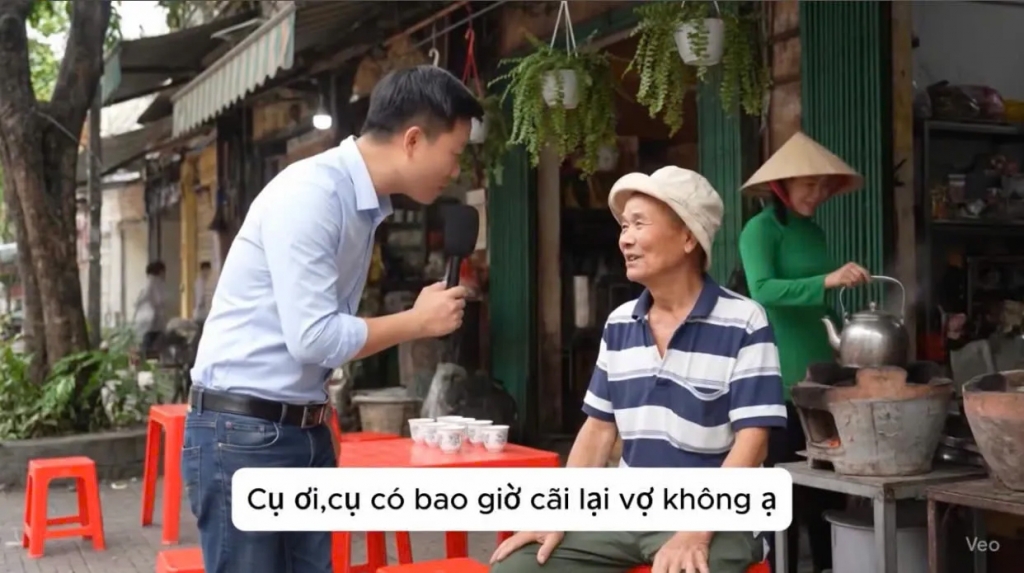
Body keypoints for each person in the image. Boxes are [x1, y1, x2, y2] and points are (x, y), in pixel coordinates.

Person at [183, 65, 483, 573]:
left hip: (296, 427)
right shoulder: (315, 194)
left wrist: (317, 412)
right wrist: (416, 322)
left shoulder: (362, 204)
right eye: (453, 154)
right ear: (413, 140)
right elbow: (314, 337)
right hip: (244, 434)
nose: (455, 171)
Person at [491, 167, 787, 573]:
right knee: (516, 568)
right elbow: (598, 430)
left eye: (639, 224)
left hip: (720, 517)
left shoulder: (745, 321)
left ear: (688, 237)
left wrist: (695, 531)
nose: (625, 238)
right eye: (624, 226)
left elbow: (754, 443)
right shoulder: (619, 323)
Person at [737, 131, 871, 573]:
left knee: (827, 488)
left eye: (823, 185)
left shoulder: (813, 231)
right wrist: (827, 280)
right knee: (783, 491)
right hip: (778, 375)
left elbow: (820, 300)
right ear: (782, 185)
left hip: (822, 375)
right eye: (808, 185)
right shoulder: (760, 230)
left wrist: (849, 330)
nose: (818, 194)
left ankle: (829, 566)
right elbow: (762, 290)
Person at [132, 260, 167, 358]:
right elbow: (157, 300)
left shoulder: (148, 282)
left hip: (146, 320)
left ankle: (146, 359)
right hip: (151, 319)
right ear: (160, 271)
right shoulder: (155, 282)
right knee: (151, 343)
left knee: (148, 342)